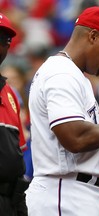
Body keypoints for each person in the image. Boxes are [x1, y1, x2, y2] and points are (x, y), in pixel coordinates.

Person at [25, 6, 99, 216]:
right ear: (93, 36)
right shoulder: (61, 73)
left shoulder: (72, 74)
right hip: (65, 195)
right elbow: (75, 138)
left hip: (74, 192)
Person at [0, 13, 29, 216]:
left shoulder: (10, 93)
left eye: (4, 40)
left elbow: (16, 158)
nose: (2, 44)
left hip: (9, 200)